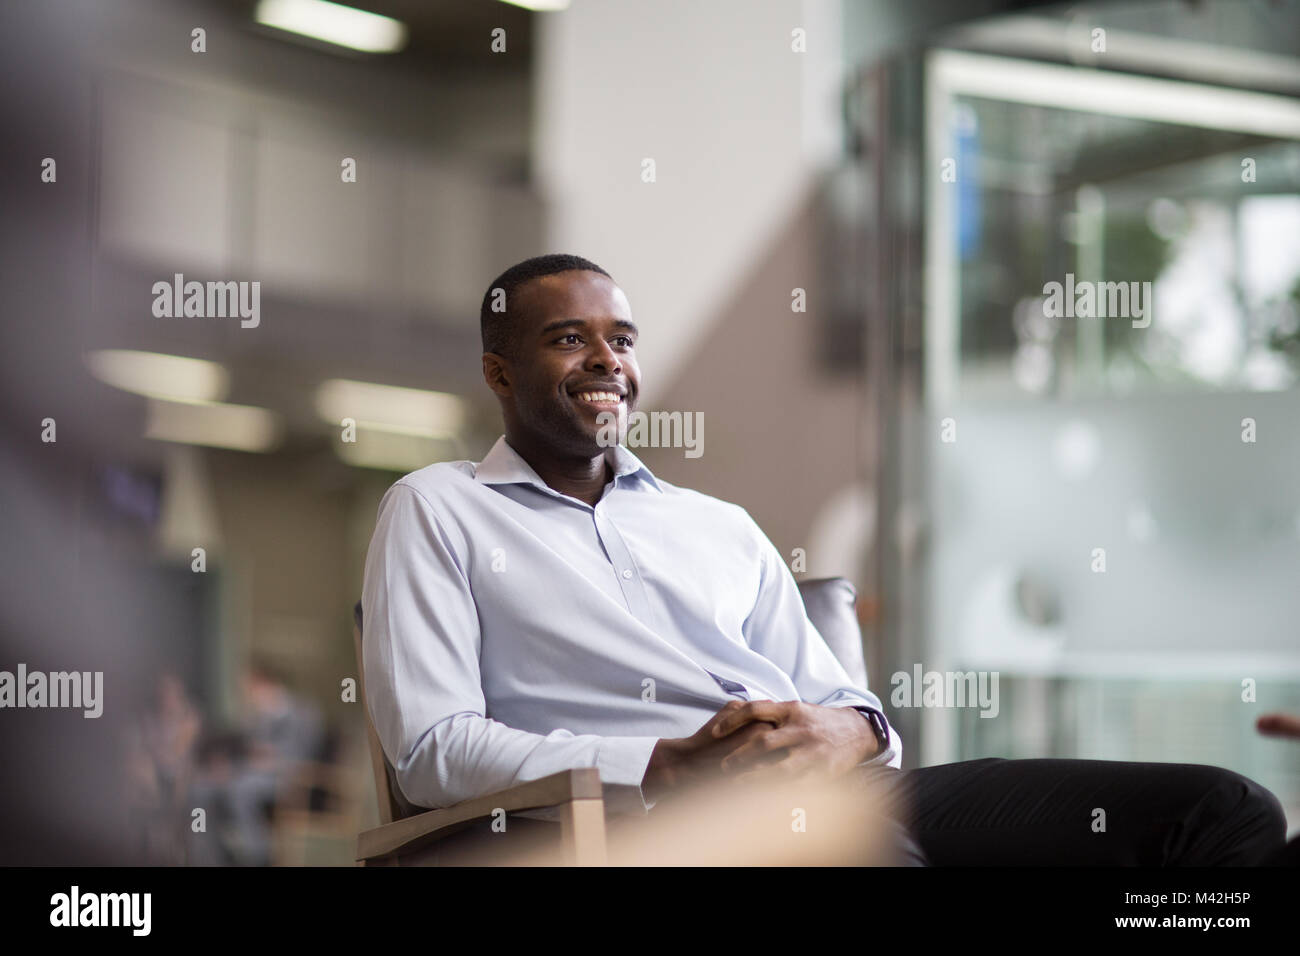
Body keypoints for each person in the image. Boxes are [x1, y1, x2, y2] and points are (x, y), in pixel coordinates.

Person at [360, 253, 1288, 866]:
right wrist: (657, 763)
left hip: (851, 786)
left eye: (622, 339)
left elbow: (844, 701)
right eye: (571, 338)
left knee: (1222, 814)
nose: (607, 359)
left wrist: (852, 732)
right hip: (660, 821)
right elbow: (434, 753)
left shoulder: (716, 523)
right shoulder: (437, 510)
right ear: (499, 371)